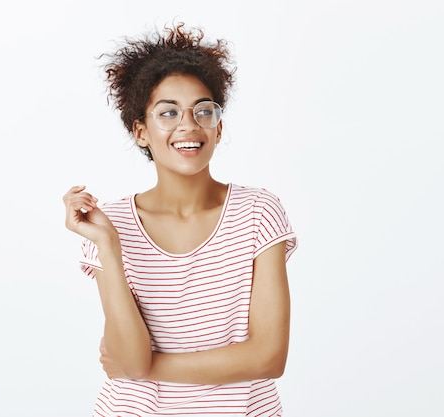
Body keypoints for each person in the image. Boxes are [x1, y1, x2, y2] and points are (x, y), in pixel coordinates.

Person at [62, 22, 297, 417]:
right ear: (141, 131)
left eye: (203, 111)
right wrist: (108, 247)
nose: (188, 125)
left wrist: (152, 367)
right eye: (168, 112)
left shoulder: (258, 212)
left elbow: (269, 357)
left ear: (218, 128)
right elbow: (128, 358)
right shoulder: (109, 224)